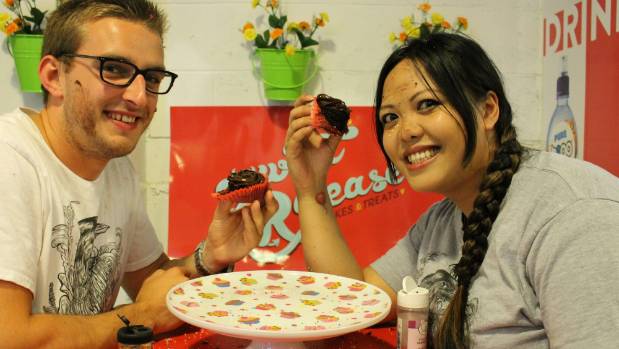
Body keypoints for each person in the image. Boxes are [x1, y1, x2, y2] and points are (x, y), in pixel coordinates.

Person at [285, 32, 619, 348]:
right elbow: (352, 301)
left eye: (427, 104)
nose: (406, 131)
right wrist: (310, 186)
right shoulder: (440, 221)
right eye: (390, 118)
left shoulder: (575, 215)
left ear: (487, 110)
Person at [0, 0, 277, 347]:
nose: (139, 97)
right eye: (114, 69)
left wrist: (209, 257)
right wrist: (142, 317)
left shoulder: (116, 167)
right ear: (55, 76)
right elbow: (10, 338)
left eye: (152, 78)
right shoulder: (9, 161)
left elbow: (152, 283)